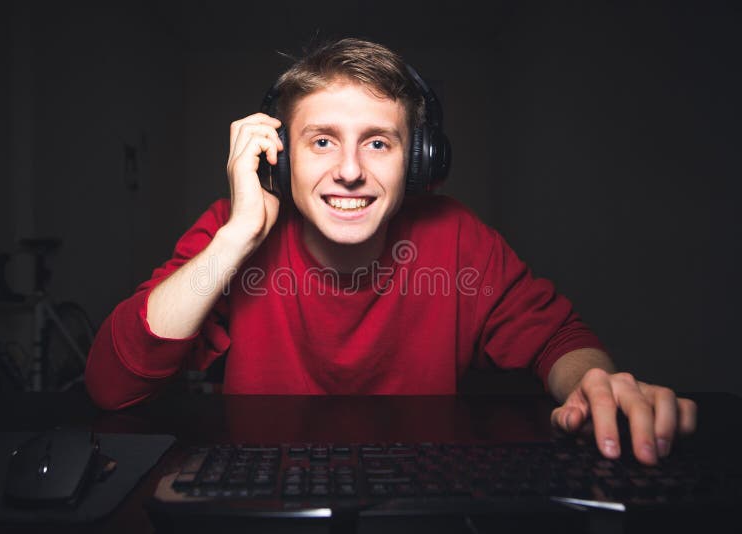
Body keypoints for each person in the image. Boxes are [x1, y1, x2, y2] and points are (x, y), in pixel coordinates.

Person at [85, 37, 696, 466]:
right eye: (321, 140)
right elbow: (113, 388)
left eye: (378, 143)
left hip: (419, 497)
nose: (349, 170)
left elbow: (555, 338)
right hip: (262, 498)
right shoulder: (232, 232)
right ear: (280, 159)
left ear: (421, 162)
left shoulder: (457, 236)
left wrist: (597, 387)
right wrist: (239, 234)